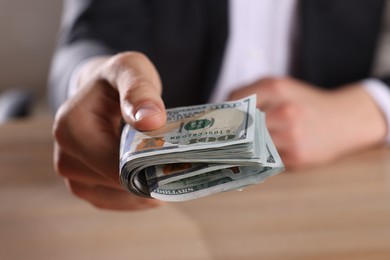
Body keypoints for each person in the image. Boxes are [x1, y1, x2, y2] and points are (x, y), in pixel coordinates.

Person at [49, 0, 390, 210]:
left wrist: (371, 107)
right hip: (166, 207)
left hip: (336, 188)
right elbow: (88, 37)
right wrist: (88, 79)